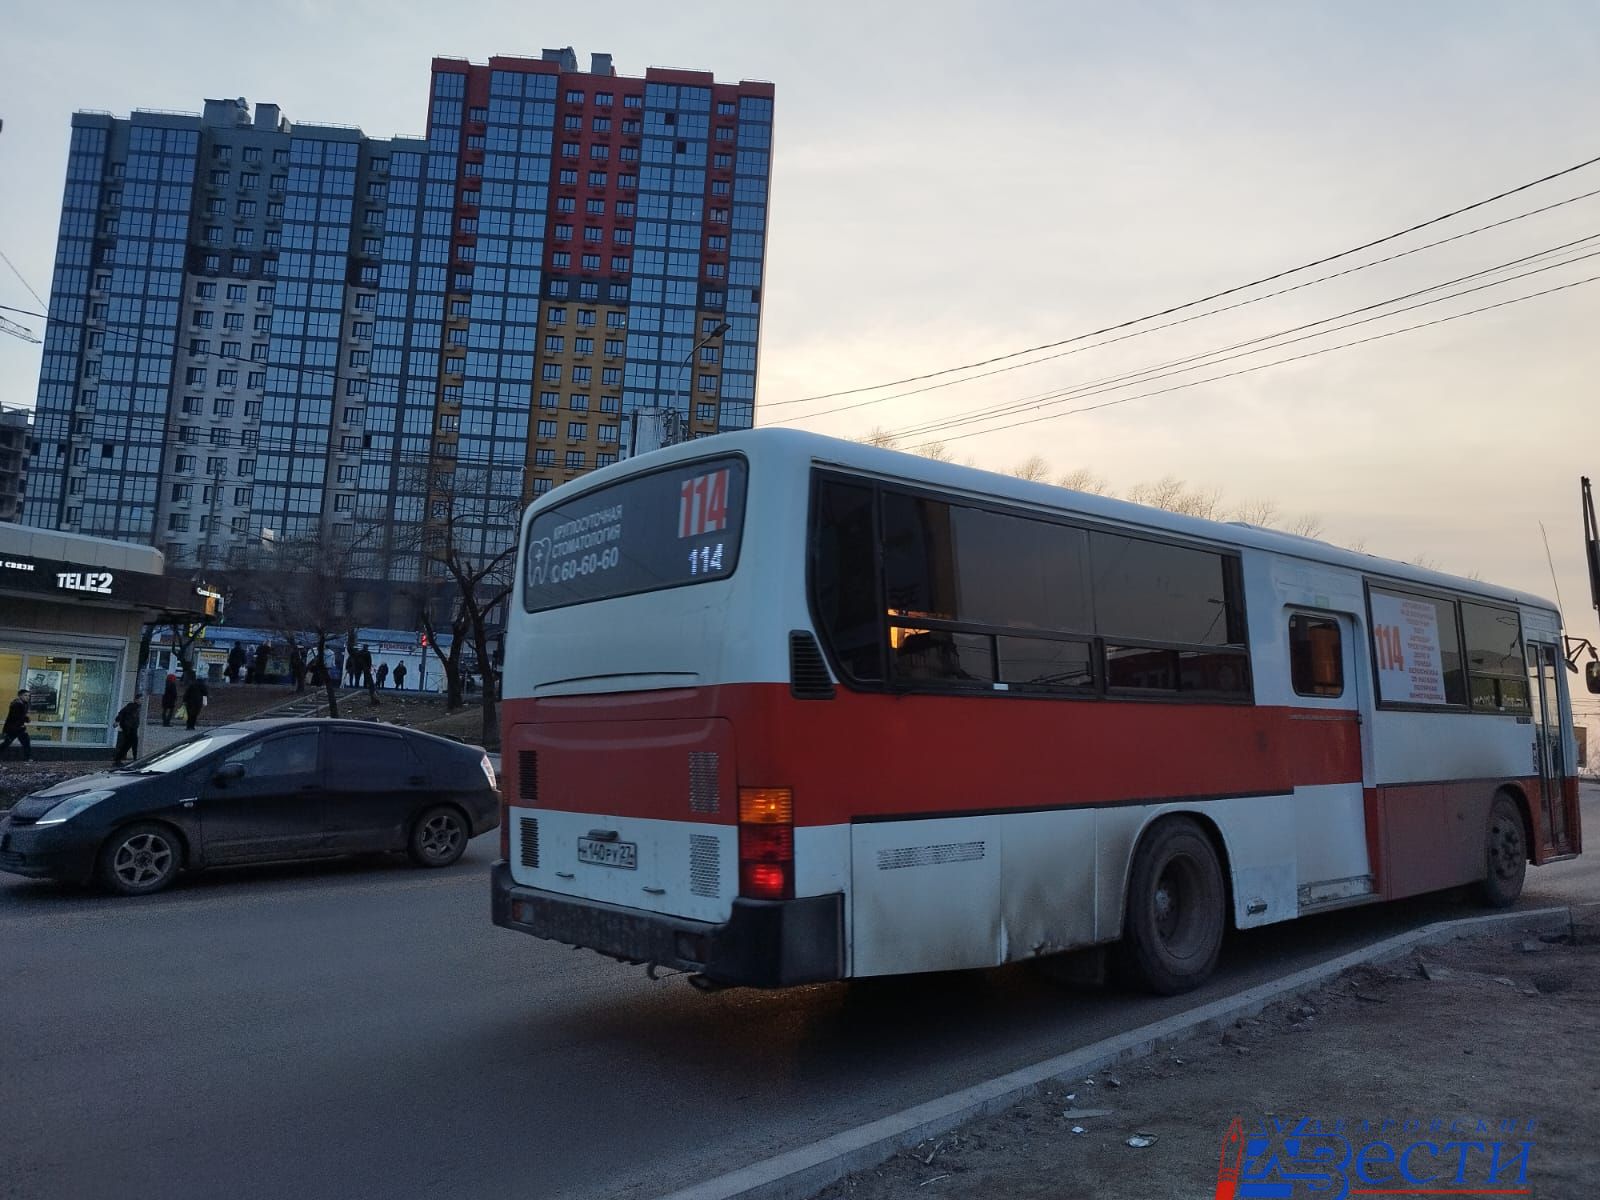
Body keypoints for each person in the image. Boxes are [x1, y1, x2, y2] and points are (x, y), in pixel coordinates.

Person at [1, 689, 31, 762]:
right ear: (20, 696)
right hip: (13, 728)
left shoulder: (24, 704)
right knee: (6, 743)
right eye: (25, 695)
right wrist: (26, 719)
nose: (28, 697)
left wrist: (25, 719)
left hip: (18, 728)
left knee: (26, 742)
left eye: (28, 695)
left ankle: (27, 758)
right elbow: (16, 716)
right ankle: (27, 758)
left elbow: (21, 715)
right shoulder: (17, 704)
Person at [112, 698, 142, 766]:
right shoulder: (131, 706)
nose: (141, 701)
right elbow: (122, 713)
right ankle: (118, 760)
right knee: (128, 744)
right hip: (129, 728)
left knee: (132, 744)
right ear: (135, 700)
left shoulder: (137, 707)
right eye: (140, 699)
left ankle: (134, 759)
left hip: (132, 728)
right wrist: (117, 721)